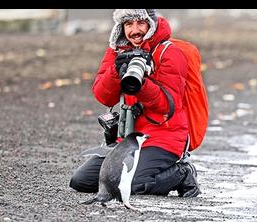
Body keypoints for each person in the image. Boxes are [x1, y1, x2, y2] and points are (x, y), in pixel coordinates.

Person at [69, 9, 201, 198]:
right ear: (121, 27)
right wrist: (116, 71)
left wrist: (141, 85)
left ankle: (182, 173)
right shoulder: (117, 51)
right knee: (82, 181)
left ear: (151, 23)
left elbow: (167, 105)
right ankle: (143, 169)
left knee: (134, 184)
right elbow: (103, 97)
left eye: (140, 23)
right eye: (128, 24)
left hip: (164, 137)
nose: (134, 30)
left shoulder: (169, 52)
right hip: (128, 138)